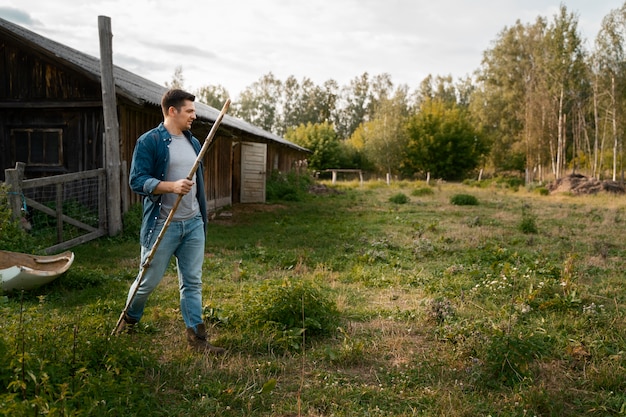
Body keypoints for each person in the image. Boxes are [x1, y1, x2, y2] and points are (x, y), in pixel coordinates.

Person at [116, 89, 225, 355]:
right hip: (162, 225)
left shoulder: (194, 142)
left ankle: (197, 339)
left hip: (193, 224)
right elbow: (136, 180)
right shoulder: (149, 142)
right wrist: (170, 186)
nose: (194, 116)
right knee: (147, 282)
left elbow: (196, 183)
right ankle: (129, 319)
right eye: (189, 111)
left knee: (192, 281)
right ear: (172, 111)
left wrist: (200, 212)